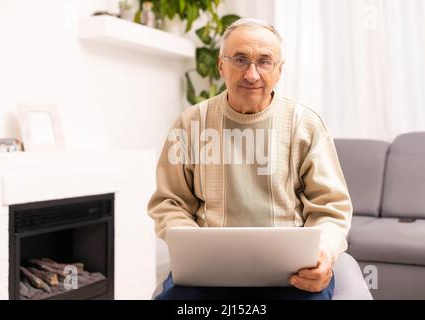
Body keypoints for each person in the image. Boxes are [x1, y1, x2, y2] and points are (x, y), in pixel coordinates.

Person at [148, 18, 352, 300]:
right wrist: (192, 248)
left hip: (290, 273)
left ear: (279, 70)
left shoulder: (306, 125)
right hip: (209, 271)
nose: (252, 75)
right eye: (240, 60)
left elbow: (331, 208)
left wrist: (324, 253)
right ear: (222, 65)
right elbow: (170, 202)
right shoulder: (190, 123)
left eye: (265, 62)